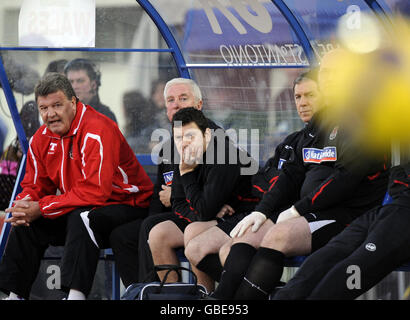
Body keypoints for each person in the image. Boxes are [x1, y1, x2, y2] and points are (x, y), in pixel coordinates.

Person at [210, 49, 390, 300]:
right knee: (245, 236)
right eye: (325, 72)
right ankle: (222, 302)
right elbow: (292, 173)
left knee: (279, 235)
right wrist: (262, 210)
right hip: (312, 210)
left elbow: (346, 179)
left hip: (350, 214)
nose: (328, 78)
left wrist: (297, 210)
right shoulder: (321, 121)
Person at [0, 72, 153, 300]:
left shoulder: (97, 129)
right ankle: (13, 295)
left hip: (129, 203)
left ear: (73, 102)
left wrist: (42, 207)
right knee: (25, 221)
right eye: (44, 108)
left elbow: (95, 192)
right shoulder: (41, 138)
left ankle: (75, 296)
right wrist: (27, 203)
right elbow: (35, 184)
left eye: (57, 105)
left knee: (83, 216)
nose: (50, 114)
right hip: (86, 204)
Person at [183, 70, 322, 290]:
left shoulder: (223, 153)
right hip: (253, 209)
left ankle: (253, 291)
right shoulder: (291, 140)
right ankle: (265, 288)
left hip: (281, 213)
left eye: (310, 95)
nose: (302, 103)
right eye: (298, 97)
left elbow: (290, 185)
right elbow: (262, 179)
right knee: (193, 246)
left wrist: (187, 174)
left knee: (228, 250)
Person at [108, 78, 215, 289]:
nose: (176, 105)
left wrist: (174, 194)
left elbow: (211, 191)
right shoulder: (167, 147)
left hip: (205, 217)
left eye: (183, 99)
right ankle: (139, 291)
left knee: (151, 227)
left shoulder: (212, 139)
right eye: (170, 100)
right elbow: (159, 195)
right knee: (123, 235)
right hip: (177, 214)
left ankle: (158, 291)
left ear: (199, 105)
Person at [148, 107, 257, 292]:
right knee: (158, 234)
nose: (184, 143)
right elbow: (178, 203)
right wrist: (201, 211)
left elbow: (204, 210)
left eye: (190, 136)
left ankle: (205, 296)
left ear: (206, 134)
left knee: (193, 230)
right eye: (179, 138)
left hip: (244, 215)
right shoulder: (183, 154)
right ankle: (175, 298)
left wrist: (187, 173)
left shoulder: (223, 155)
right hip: (213, 215)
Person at [273, 164, 410, 300]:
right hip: (388, 208)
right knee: (328, 254)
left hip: (403, 216)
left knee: (356, 266)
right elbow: (397, 172)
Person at [64, 58, 117, 123]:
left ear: (93, 85)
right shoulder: (62, 114)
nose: (74, 86)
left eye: (80, 81)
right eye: (70, 82)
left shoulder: (105, 117)